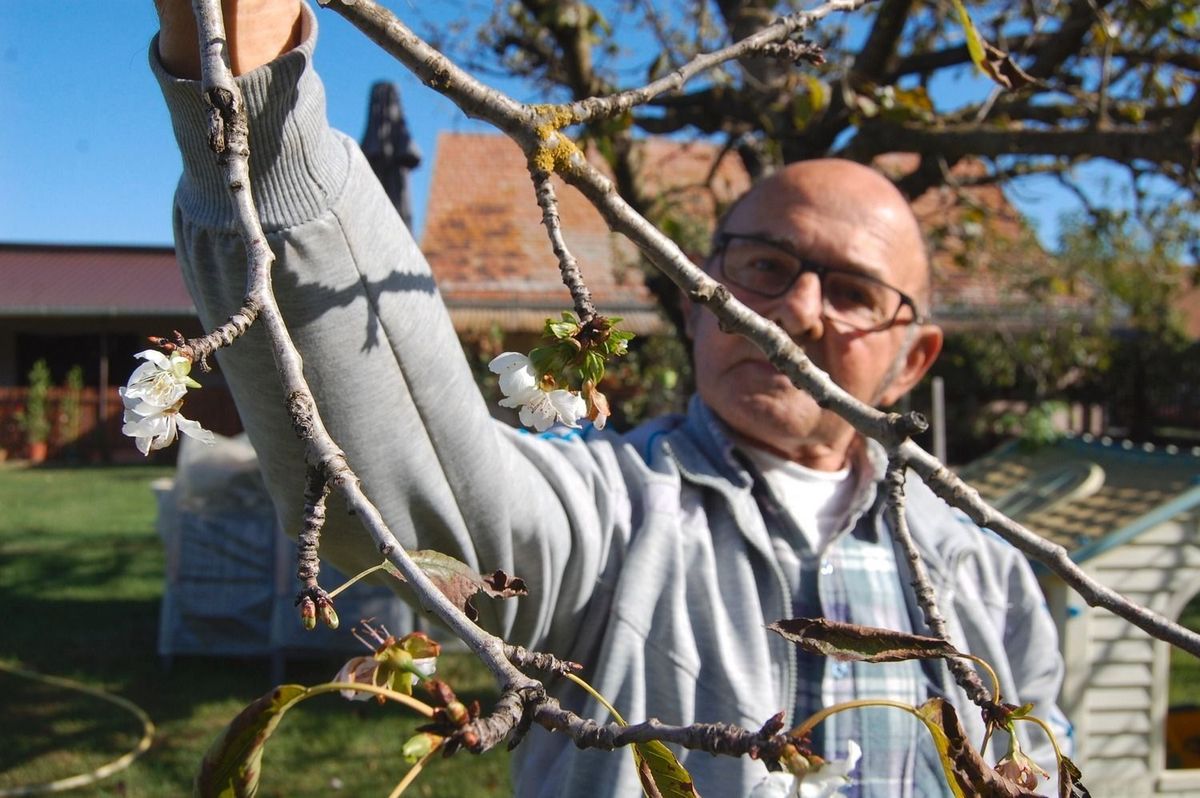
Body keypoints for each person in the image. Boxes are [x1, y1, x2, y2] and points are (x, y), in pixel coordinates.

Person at [151, 2, 1070, 795]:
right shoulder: (615, 513)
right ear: (696, 296)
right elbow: (417, 490)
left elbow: (1046, 749)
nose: (797, 308)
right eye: (764, 267)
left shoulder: (987, 579)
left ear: (914, 361)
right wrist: (254, 84)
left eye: (856, 294)